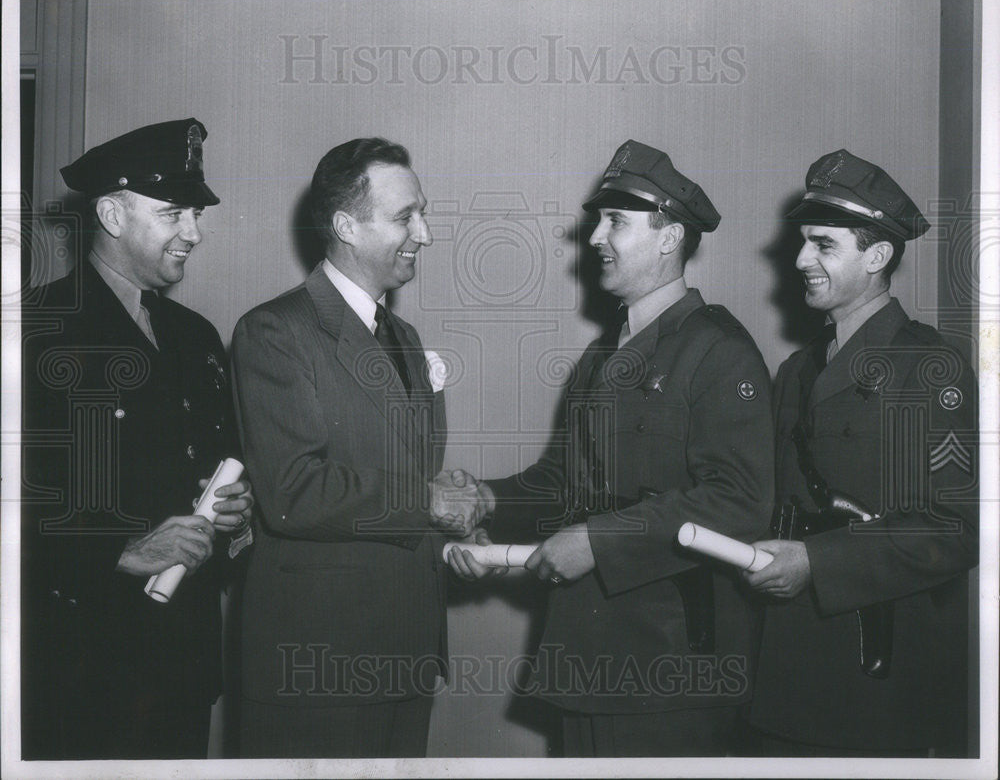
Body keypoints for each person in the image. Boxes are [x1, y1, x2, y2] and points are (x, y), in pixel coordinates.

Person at [447, 140, 774, 756]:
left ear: (670, 237)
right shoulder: (607, 353)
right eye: (599, 219)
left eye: (615, 222)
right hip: (588, 655)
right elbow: (567, 479)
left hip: (669, 667)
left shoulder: (719, 350)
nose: (595, 236)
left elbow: (741, 500)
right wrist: (488, 500)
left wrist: (599, 541)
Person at [231, 137, 473, 758]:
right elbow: (293, 492)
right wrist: (426, 502)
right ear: (345, 226)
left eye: (422, 212)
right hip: (321, 663)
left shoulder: (407, 337)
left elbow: (399, 475)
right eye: (404, 217)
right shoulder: (275, 330)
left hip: (404, 652)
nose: (424, 232)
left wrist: (453, 507)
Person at [21, 118, 253, 759]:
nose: (194, 234)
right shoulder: (36, 330)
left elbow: (205, 463)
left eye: (196, 214)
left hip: (183, 661)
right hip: (82, 668)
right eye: (174, 213)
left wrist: (236, 515)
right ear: (113, 215)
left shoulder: (197, 335)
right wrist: (118, 551)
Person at [745, 149, 979, 757]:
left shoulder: (929, 366)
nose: (800, 260)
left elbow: (952, 529)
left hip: (880, 673)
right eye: (802, 243)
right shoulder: (796, 370)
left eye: (823, 245)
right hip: (788, 671)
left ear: (877, 256)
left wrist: (818, 564)